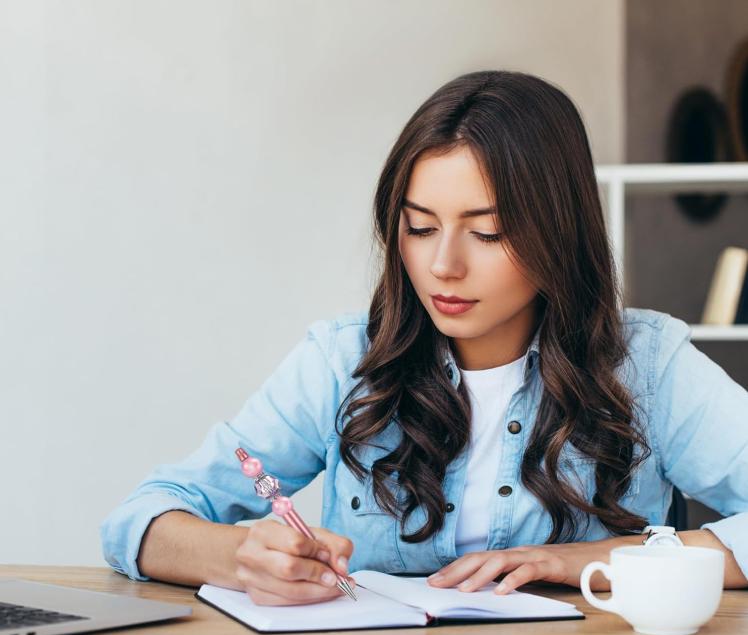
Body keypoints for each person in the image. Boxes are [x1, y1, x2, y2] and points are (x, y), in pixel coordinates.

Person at [100, 70, 748, 606]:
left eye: (487, 232)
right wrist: (244, 556)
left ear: (559, 231)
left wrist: (586, 560)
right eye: (419, 226)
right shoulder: (340, 364)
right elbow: (142, 519)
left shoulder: (649, 369)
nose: (444, 265)